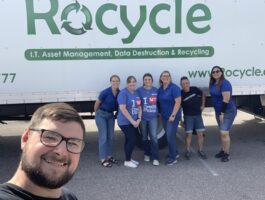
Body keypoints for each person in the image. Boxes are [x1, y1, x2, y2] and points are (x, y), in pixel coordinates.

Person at [0, 103, 86, 199]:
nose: (61, 152)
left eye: (73, 143)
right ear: (25, 138)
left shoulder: (69, 196)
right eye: (50, 137)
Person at [209, 66, 237, 162]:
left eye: (217, 71)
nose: (215, 73)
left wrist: (222, 113)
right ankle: (222, 150)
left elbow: (226, 99)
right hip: (219, 111)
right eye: (213, 72)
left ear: (221, 72)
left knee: (224, 132)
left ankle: (227, 154)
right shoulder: (213, 83)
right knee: (221, 131)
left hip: (227, 111)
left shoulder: (225, 83)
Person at [94, 75, 120, 168]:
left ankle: (109, 156)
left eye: (117, 81)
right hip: (101, 115)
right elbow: (97, 103)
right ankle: (103, 159)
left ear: (119, 82)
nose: (115, 82)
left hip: (110, 116)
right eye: (113, 81)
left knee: (111, 137)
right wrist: (97, 114)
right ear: (110, 82)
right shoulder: (105, 92)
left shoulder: (119, 93)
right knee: (103, 137)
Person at [117, 76, 142, 168]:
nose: (132, 84)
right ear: (127, 83)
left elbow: (139, 107)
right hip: (124, 122)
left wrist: (139, 119)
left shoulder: (136, 93)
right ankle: (127, 161)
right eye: (130, 82)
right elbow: (123, 109)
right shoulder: (123, 93)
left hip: (134, 121)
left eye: (134, 82)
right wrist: (132, 121)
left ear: (136, 83)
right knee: (132, 139)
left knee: (128, 140)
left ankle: (129, 158)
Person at [157, 70, 181, 165]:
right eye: (163, 76)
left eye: (167, 76)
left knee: (170, 136)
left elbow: (178, 102)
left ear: (170, 78)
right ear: (161, 78)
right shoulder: (161, 89)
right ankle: (174, 152)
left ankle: (173, 158)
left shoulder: (174, 88)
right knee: (170, 136)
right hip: (164, 116)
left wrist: (173, 115)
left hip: (173, 117)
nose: (165, 77)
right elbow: (158, 102)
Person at [180, 76, 207, 160]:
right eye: (183, 84)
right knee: (189, 135)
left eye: (187, 83)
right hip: (188, 117)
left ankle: (201, 150)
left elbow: (203, 94)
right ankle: (187, 151)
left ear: (189, 83)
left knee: (200, 134)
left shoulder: (194, 89)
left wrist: (203, 105)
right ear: (181, 85)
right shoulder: (180, 93)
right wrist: (181, 120)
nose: (185, 85)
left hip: (198, 116)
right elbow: (179, 107)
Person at [137, 73, 159, 166]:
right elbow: (137, 103)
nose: (147, 81)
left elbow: (160, 102)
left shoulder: (156, 90)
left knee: (154, 137)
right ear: (143, 81)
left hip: (153, 117)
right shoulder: (139, 90)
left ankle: (155, 158)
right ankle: (146, 154)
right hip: (143, 118)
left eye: (149, 79)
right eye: (145, 79)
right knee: (144, 137)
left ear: (152, 81)